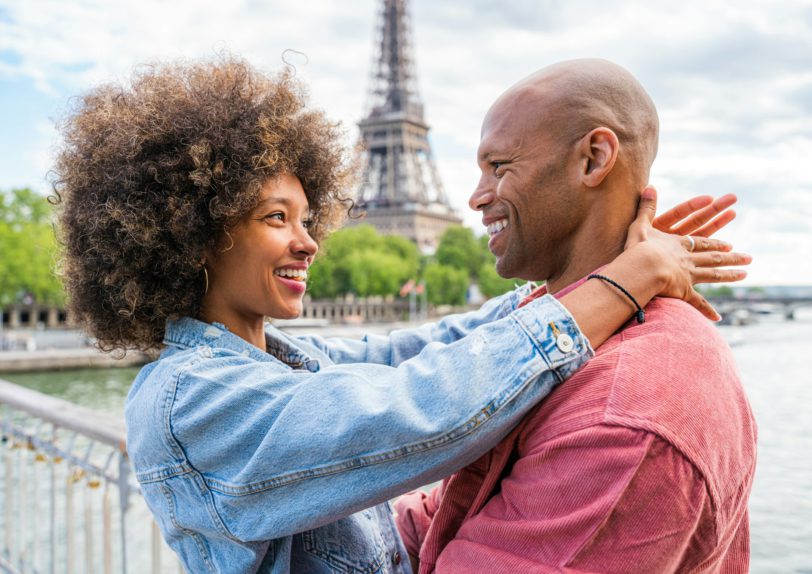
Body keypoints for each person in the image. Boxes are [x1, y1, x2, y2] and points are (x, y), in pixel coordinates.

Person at [52, 57, 749, 573]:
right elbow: (422, 404)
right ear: (196, 235)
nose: (310, 240)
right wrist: (626, 278)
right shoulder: (188, 400)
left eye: (307, 216)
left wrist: (592, 278)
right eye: (276, 218)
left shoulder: (288, 364)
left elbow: (432, 349)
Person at [394, 59, 757, 574]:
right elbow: (440, 521)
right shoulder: (559, 326)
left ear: (593, 159)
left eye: (499, 166)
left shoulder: (629, 414)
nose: (475, 197)